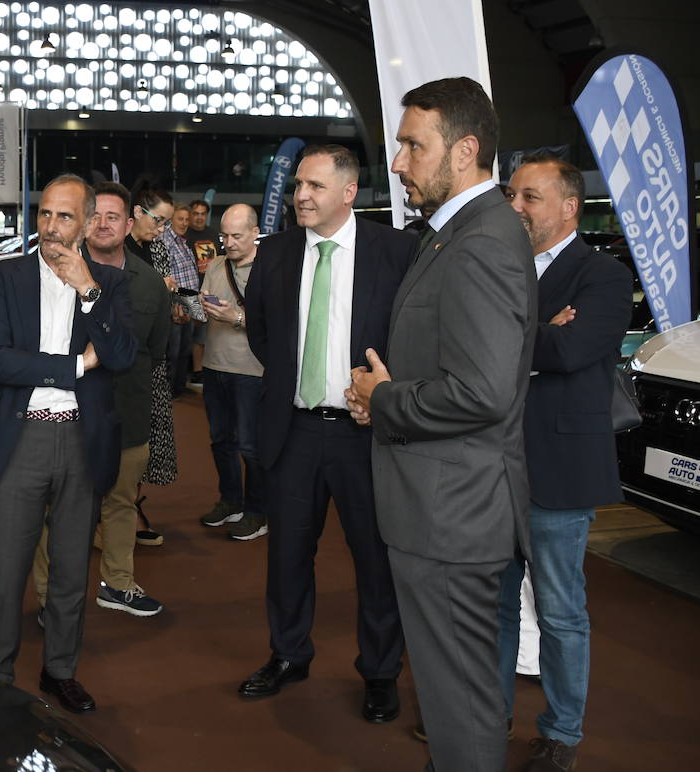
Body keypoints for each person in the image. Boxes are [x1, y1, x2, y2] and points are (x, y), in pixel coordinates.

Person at [348, 77, 535, 772]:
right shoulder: (456, 232)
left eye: (411, 146)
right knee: (458, 704)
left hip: (452, 521)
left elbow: (481, 392)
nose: (397, 163)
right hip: (445, 512)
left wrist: (388, 398)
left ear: (463, 151)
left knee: (461, 709)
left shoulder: (480, 240)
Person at [239, 146, 414, 725]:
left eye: (315, 185)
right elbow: (264, 336)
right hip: (294, 430)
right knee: (288, 556)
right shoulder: (278, 253)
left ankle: (382, 671)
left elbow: (411, 339)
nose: (301, 196)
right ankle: (289, 654)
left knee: (376, 559)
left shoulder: (395, 251)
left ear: (348, 192)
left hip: (366, 435)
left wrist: (381, 395)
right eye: (297, 185)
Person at [0, 173, 136, 714]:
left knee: (69, 573)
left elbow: (124, 354)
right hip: (21, 439)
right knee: (7, 570)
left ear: (87, 224)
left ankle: (60, 671)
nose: (52, 226)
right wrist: (76, 366)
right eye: (45, 214)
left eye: (65, 216)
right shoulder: (6, 278)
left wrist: (87, 288)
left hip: (82, 443)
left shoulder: (109, 285)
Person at [497, 157, 632, 772]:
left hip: (559, 468)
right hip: (493, 466)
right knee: (493, 603)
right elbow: (474, 343)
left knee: (559, 609)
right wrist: (536, 333)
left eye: (531, 196)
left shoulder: (601, 276)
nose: (517, 207)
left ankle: (561, 733)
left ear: (569, 206)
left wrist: (516, 337)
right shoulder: (502, 266)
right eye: (513, 196)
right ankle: (489, 715)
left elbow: (573, 349)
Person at [32, 181, 172, 617]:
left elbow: (158, 348)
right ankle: (49, 599)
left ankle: (119, 584)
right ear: (84, 218)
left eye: (115, 217)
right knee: (53, 513)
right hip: (64, 413)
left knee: (120, 504)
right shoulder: (54, 272)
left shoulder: (149, 283)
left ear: (130, 225)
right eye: (96, 215)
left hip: (126, 415)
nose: (104, 224)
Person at [196, 204, 267, 535]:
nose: (229, 242)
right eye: (224, 235)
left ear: (255, 232)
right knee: (220, 439)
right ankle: (230, 500)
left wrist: (237, 318)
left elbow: (279, 323)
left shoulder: (270, 269)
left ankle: (257, 509)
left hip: (251, 370)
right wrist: (192, 308)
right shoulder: (216, 265)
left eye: (237, 235)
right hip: (214, 366)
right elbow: (204, 307)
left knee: (252, 445)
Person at [127, 186, 180, 531]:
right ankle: (116, 509)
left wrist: (182, 306)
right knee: (123, 439)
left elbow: (170, 298)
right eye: (158, 221)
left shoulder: (158, 249)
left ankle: (130, 503)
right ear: (137, 212)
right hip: (123, 360)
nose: (162, 229)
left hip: (154, 360)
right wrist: (157, 288)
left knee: (146, 440)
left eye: (166, 224)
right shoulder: (116, 250)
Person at [163, 203, 203, 396]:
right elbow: (164, 276)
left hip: (190, 300)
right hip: (176, 302)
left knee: (185, 348)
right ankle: (169, 390)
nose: (185, 223)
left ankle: (179, 386)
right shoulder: (165, 241)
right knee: (173, 350)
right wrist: (174, 304)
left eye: (187, 219)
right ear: (171, 219)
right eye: (181, 219)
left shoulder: (182, 242)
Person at [185, 199, 220, 386]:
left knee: (207, 331)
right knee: (193, 332)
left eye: (202, 214)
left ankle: (204, 369)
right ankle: (195, 371)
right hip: (190, 290)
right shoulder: (185, 235)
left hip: (211, 288)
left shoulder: (213, 234)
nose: (199, 217)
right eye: (196, 213)